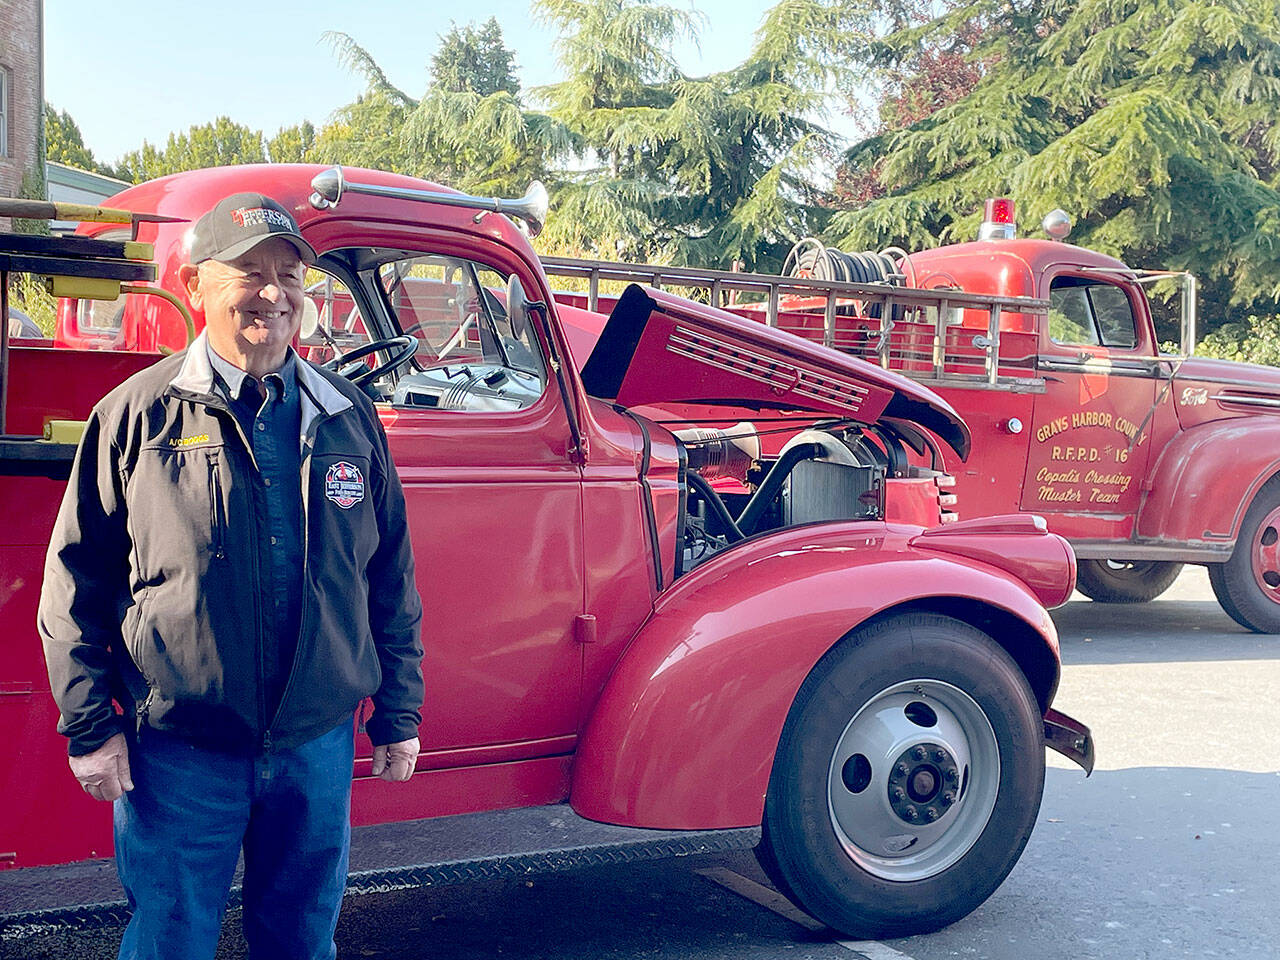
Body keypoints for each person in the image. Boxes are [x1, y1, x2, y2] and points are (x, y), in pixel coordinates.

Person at [38, 192, 425, 960]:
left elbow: (388, 574)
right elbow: (73, 583)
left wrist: (400, 709)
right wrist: (90, 726)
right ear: (196, 287)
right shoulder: (135, 417)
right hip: (180, 752)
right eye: (250, 272)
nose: (275, 293)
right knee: (169, 942)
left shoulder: (347, 414)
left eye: (290, 274)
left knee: (301, 941)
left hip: (315, 744)